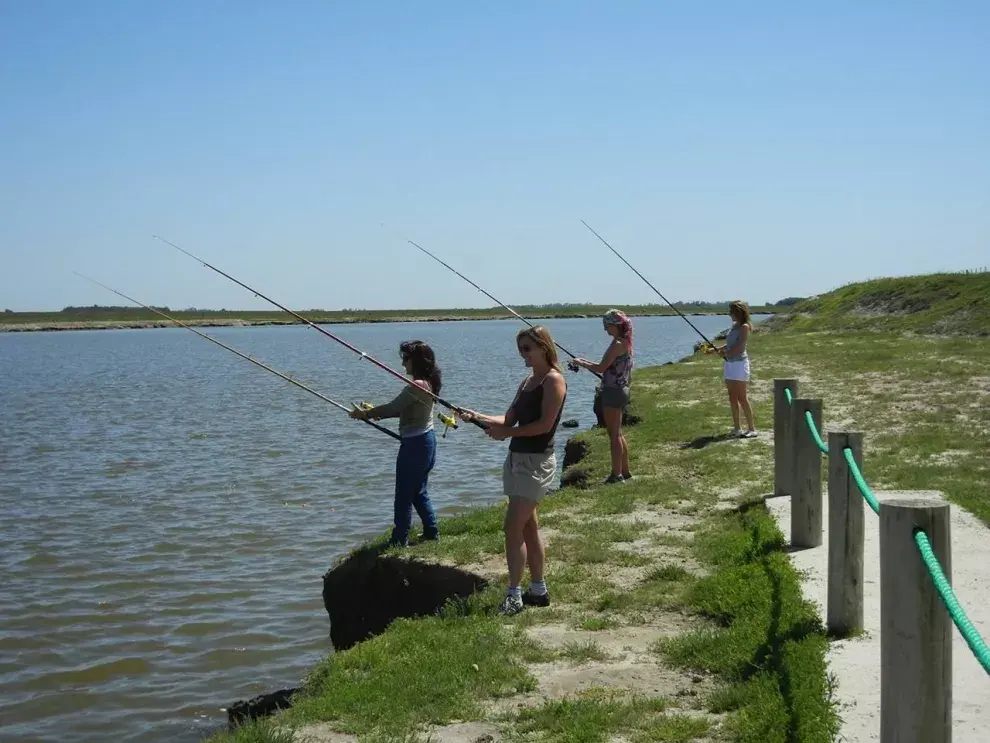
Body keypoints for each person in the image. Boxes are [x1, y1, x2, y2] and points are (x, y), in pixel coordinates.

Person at [456, 326, 567, 616]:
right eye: (520, 349)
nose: (523, 354)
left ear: (544, 347)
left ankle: (513, 595)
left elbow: (544, 425)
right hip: (516, 460)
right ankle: (538, 590)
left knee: (511, 527)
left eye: (527, 348)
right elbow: (507, 419)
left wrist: (508, 432)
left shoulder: (553, 381)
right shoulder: (527, 381)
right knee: (528, 526)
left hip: (537, 463)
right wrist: (475, 416)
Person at [350, 340, 441, 547]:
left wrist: (365, 414)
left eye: (406, 359)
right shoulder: (428, 383)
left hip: (416, 445)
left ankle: (399, 540)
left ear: (416, 361)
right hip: (425, 442)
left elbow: (393, 407)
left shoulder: (417, 385)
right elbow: (402, 411)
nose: (403, 365)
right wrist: (375, 415)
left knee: (403, 495)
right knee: (418, 492)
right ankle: (431, 532)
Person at [572, 309, 634, 483]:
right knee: (618, 433)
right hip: (622, 390)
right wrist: (583, 362)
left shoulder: (617, 345)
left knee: (613, 435)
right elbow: (606, 367)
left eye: (607, 326)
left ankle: (616, 475)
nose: (605, 329)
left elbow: (600, 368)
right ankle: (625, 471)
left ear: (616, 325)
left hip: (612, 392)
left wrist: (581, 363)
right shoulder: (625, 343)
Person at [715, 301, 757, 438]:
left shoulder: (745, 327)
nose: (729, 314)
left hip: (739, 364)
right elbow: (730, 343)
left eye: (731, 311)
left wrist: (725, 354)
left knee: (742, 397)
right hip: (729, 364)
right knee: (732, 397)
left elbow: (740, 347)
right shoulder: (734, 326)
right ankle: (737, 428)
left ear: (738, 312)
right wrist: (716, 349)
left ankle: (752, 429)